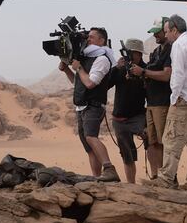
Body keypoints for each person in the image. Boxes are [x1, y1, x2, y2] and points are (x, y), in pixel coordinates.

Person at [145, 15, 187, 190]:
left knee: (171, 139)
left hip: (184, 99)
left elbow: (177, 74)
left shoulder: (179, 45)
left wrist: (174, 98)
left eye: (166, 31)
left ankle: (165, 179)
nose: (166, 35)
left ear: (174, 30)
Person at [59, 27, 120, 182]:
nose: (88, 39)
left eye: (92, 37)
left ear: (101, 40)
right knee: (89, 147)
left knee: (91, 137)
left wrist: (79, 67)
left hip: (94, 105)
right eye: (87, 37)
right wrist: (66, 70)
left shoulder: (102, 59)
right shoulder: (85, 58)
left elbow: (90, 83)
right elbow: (78, 83)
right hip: (82, 106)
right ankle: (97, 178)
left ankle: (110, 169)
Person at [130, 17, 172, 179]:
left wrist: (143, 72)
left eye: (157, 32)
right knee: (152, 142)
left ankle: (168, 176)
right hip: (152, 102)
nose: (155, 36)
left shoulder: (172, 50)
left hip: (163, 102)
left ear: (166, 30)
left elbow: (166, 75)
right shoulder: (156, 52)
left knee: (164, 142)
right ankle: (157, 176)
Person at [108, 38, 148, 183]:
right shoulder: (121, 68)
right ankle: (131, 185)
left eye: (132, 53)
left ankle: (156, 177)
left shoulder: (146, 69)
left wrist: (141, 74)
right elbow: (106, 85)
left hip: (138, 116)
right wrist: (116, 68)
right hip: (119, 119)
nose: (129, 56)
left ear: (139, 54)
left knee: (152, 141)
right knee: (127, 155)